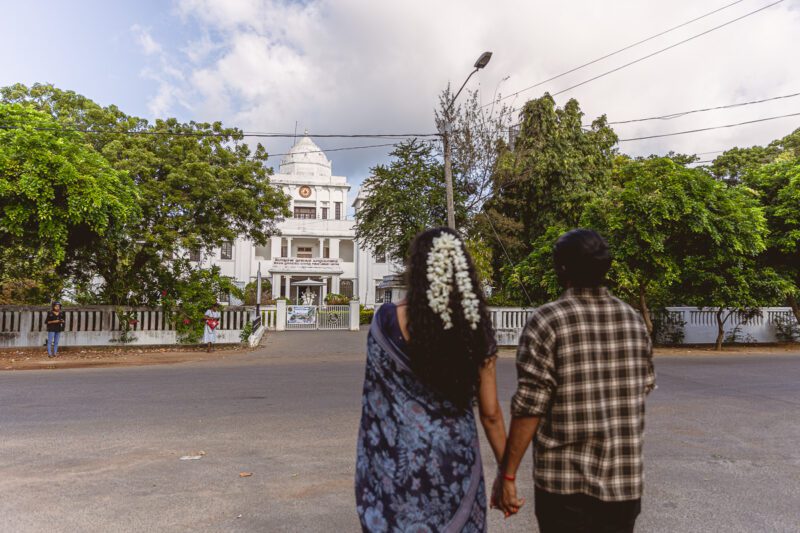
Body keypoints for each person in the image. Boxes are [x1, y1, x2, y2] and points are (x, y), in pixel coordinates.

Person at [494, 229, 656, 533]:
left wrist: (508, 475)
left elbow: (530, 407)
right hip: (624, 485)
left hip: (564, 487)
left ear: (562, 269)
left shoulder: (547, 321)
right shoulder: (633, 321)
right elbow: (643, 387)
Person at [355, 227, 507, 532]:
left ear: (419, 269)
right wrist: (508, 474)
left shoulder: (385, 322)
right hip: (454, 465)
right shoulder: (474, 327)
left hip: (395, 465)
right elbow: (490, 414)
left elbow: (375, 399)